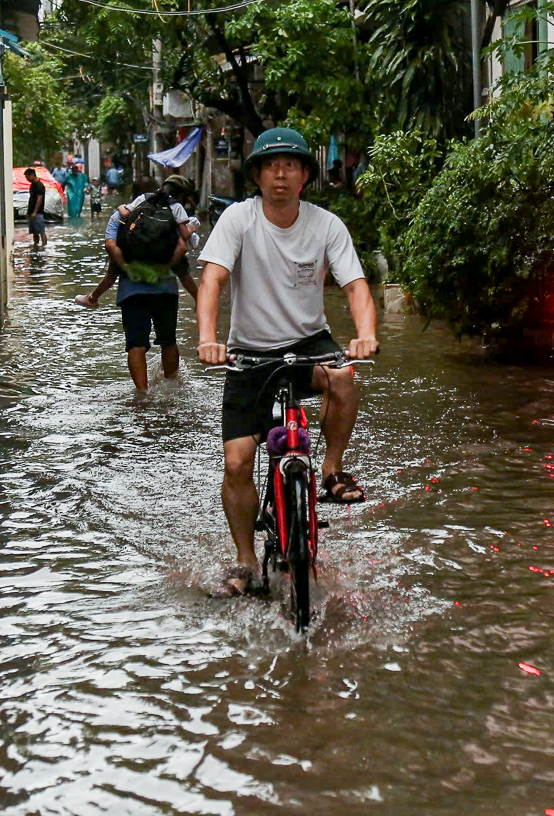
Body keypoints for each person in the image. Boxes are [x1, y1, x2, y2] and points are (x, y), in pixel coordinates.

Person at [195, 127, 379, 597]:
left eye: (292, 165)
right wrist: (207, 339)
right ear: (257, 175)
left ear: (304, 177)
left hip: (310, 343)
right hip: (249, 351)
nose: (281, 173)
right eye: (271, 165)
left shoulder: (326, 225)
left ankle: (333, 471)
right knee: (237, 462)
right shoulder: (238, 220)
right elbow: (213, 281)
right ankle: (244, 562)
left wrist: (366, 335)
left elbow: (356, 286)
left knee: (343, 375)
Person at [74, 175, 200, 390]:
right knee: (168, 341)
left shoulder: (122, 214)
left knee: (136, 344)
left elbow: (111, 247)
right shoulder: (173, 213)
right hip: (165, 289)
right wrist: (199, 299)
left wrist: (130, 269)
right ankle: (170, 388)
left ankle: (141, 395)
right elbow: (183, 253)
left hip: (131, 290)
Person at [24, 167, 47, 249]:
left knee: (41, 231)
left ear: (32, 175)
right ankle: (36, 244)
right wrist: (29, 212)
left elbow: (39, 199)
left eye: (27, 177)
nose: (27, 179)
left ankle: (44, 245)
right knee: (34, 231)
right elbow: (31, 199)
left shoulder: (39, 186)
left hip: (38, 212)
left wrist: (35, 212)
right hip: (32, 212)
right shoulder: (32, 185)